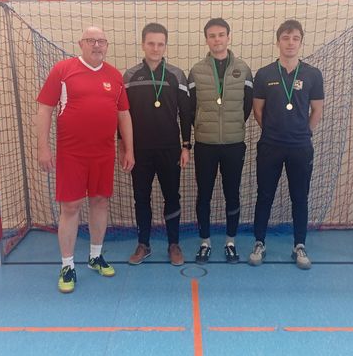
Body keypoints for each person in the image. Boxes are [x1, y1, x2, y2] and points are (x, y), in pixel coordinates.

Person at [37, 26, 134, 293]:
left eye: (101, 41)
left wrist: (129, 149)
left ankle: (95, 256)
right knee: (71, 207)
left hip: (104, 153)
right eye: (91, 40)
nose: (97, 45)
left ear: (107, 45)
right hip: (72, 155)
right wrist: (43, 147)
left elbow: (124, 114)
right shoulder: (63, 70)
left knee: (100, 201)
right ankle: (67, 265)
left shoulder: (114, 75)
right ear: (81, 43)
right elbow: (44, 109)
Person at [250, 19, 324, 270]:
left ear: (301, 42)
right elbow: (258, 110)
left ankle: (299, 245)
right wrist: (273, 131)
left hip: (300, 147)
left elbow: (317, 109)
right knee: (264, 195)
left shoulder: (313, 74)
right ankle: (259, 243)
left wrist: (304, 133)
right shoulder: (264, 74)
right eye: (285, 38)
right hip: (270, 145)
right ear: (278, 41)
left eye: (295, 38)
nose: (290, 43)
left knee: (299, 197)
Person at [123, 23, 193, 266]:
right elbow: (122, 114)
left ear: (165, 46)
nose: (155, 48)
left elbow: (186, 113)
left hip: (169, 149)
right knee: (141, 198)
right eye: (151, 43)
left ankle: (173, 244)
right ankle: (143, 244)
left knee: (172, 197)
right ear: (143, 44)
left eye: (160, 44)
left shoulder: (177, 75)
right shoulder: (130, 76)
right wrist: (124, 147)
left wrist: (186, 146)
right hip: (139, 151)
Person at [189, 18, 253, 264]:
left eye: (221, 34)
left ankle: (230, 242)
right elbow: (190, 107)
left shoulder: (243, 69)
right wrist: (204, 126)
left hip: (234, 144)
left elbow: (247, 105)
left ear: (228, 37)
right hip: (205, 144)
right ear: (206, 39)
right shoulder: (196, 70)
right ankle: (205, 242)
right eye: (212, 35)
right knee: (203, 194)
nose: (217, 39)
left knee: (232, 193)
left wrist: (232, 125)